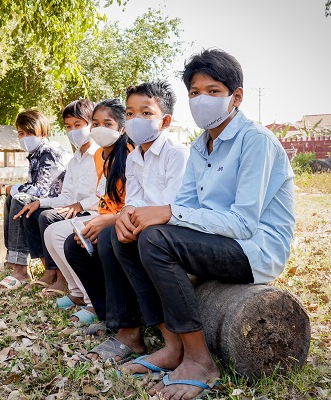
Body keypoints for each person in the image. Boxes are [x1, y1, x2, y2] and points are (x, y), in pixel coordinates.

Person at [116, 48, 296, 400]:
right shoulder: (201, 146)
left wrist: (166, 213)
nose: (202, 101)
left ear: (236, 96)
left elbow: (243, 223)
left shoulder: (255, 140)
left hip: (255, 248)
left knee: (156, 239)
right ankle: (172, 346)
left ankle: (200, 361)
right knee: (130, 235)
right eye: (195, 93)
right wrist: (134, 215)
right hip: (217, 240)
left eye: (213, 91)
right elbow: (185, 207)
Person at [66, 81, 189, 348]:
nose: (136, 120)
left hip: (169, 225)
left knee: (114, 237)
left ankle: (131, 330)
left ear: (165, 121)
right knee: (76, 245)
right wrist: (124, 216)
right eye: (131, 113)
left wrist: (121, 219)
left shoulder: (176, 154)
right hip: (141, 223)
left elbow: (171, 206)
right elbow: (132, 200)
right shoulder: (135, 158)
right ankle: (111, 316)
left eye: (146, 113)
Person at [46, 98, 134, 325]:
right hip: (103, 213)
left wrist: (101, 216)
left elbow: (129, 200)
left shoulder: (130, 153)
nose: (99, 129)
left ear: (121, 127)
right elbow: (101, 193)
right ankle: (78, 293)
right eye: (95, 123)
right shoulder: (99, 156)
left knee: (68, 236)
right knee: (52, 232)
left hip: (119, 216)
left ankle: (93, 303)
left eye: (108, 123)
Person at [12, 99, 99, 297]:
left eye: (78, 125)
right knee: (33, 212)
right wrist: (39, 203)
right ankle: (52, 273)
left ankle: (61, 279)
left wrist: (79, 204)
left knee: (47, 218)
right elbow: (67, 195)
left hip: (92, 210)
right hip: (75, 208)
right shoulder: (76, 159)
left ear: (91, 124)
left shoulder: (100, 154)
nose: (73, 131)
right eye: (68, 126)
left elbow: (103, 193)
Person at [0, 109, 72, 291]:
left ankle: (20, 269)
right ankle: (15, 263)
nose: (25, 137)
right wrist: (3, 187)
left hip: (60, 203)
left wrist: (4, 188)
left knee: (18, 199)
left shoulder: (50, 152)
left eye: (30, 132)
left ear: (42, 133)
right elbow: (33, 185)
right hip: (46, 201)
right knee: (12, 198)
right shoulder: (37, 154)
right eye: (21, 133)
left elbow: (41, 190)